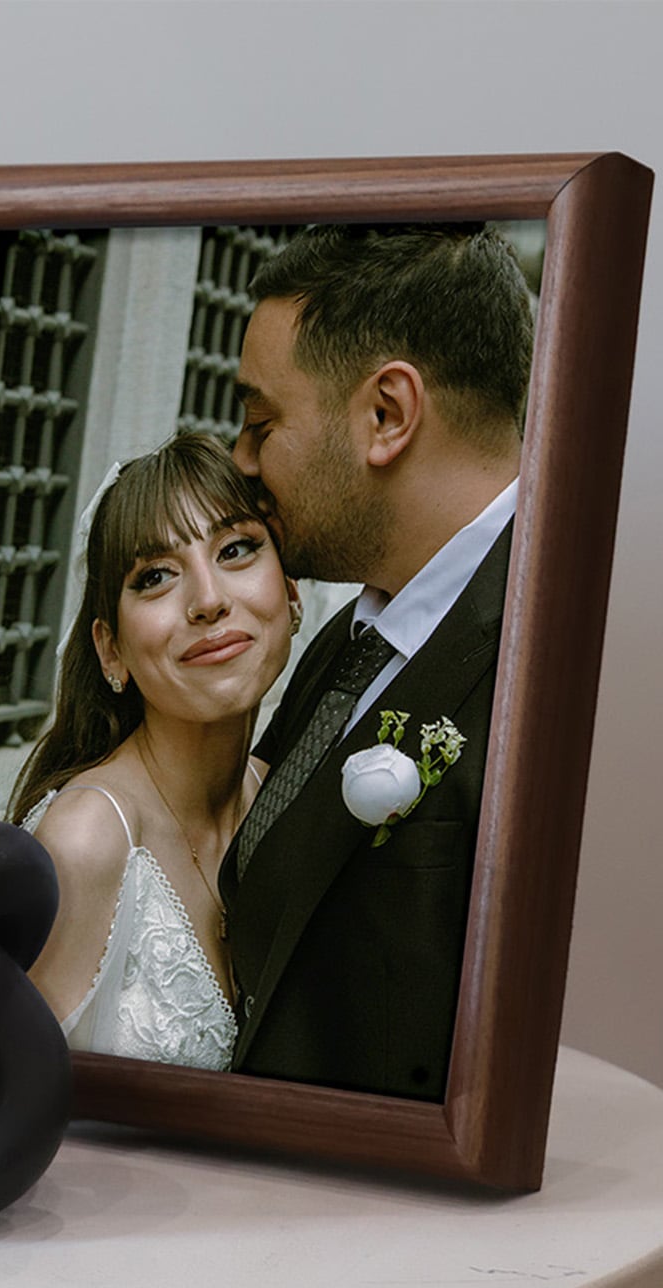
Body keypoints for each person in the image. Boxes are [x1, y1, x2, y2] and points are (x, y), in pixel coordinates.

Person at [221, 222, 534, 1101]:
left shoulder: (548, 658)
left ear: (387, 416)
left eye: (259, 421)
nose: (241, 460)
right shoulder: (346, 638)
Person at [10, 432, 298, 1069]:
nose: (209, 600)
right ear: (110, 649)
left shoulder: (279, 799)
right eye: (157, 576)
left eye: (236, 549)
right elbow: (8, 1101)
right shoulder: (87, 839)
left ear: (292, 595)